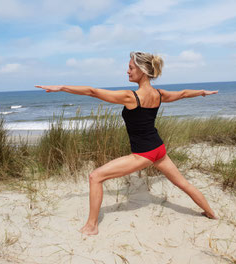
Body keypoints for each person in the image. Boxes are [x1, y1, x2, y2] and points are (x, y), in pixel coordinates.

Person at [35, 51, 218, 236]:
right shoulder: (159, 94)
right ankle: (211, 214)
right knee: (184, 184)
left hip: (143, 155)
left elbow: (93, 91)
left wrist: (62, 87)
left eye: (131, 68)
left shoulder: (132, 97)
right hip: (159, 149)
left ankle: (92, 226)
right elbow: (184, 93)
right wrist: (202, 92)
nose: (127, 71)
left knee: (95, 177)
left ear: (143, 71)